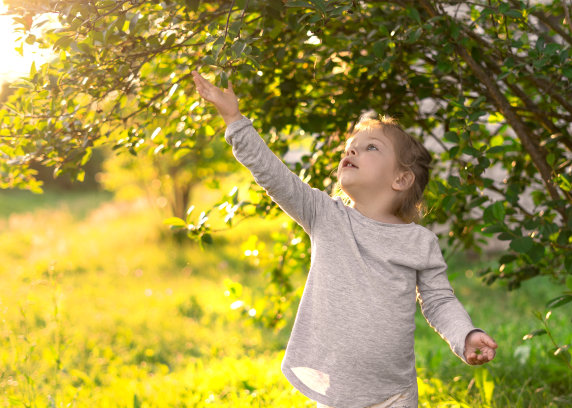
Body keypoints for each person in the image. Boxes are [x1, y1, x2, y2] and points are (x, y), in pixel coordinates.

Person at [190, 69, 498, 408]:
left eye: (370, 148)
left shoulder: (419, 243)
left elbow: (439, 302)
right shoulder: (325, 215)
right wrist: (234, 118)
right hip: (335, 391)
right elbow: (273, 175)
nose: (350, 152)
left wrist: (465, 335)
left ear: (401, 178)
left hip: (395, 393)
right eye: (349, 148)